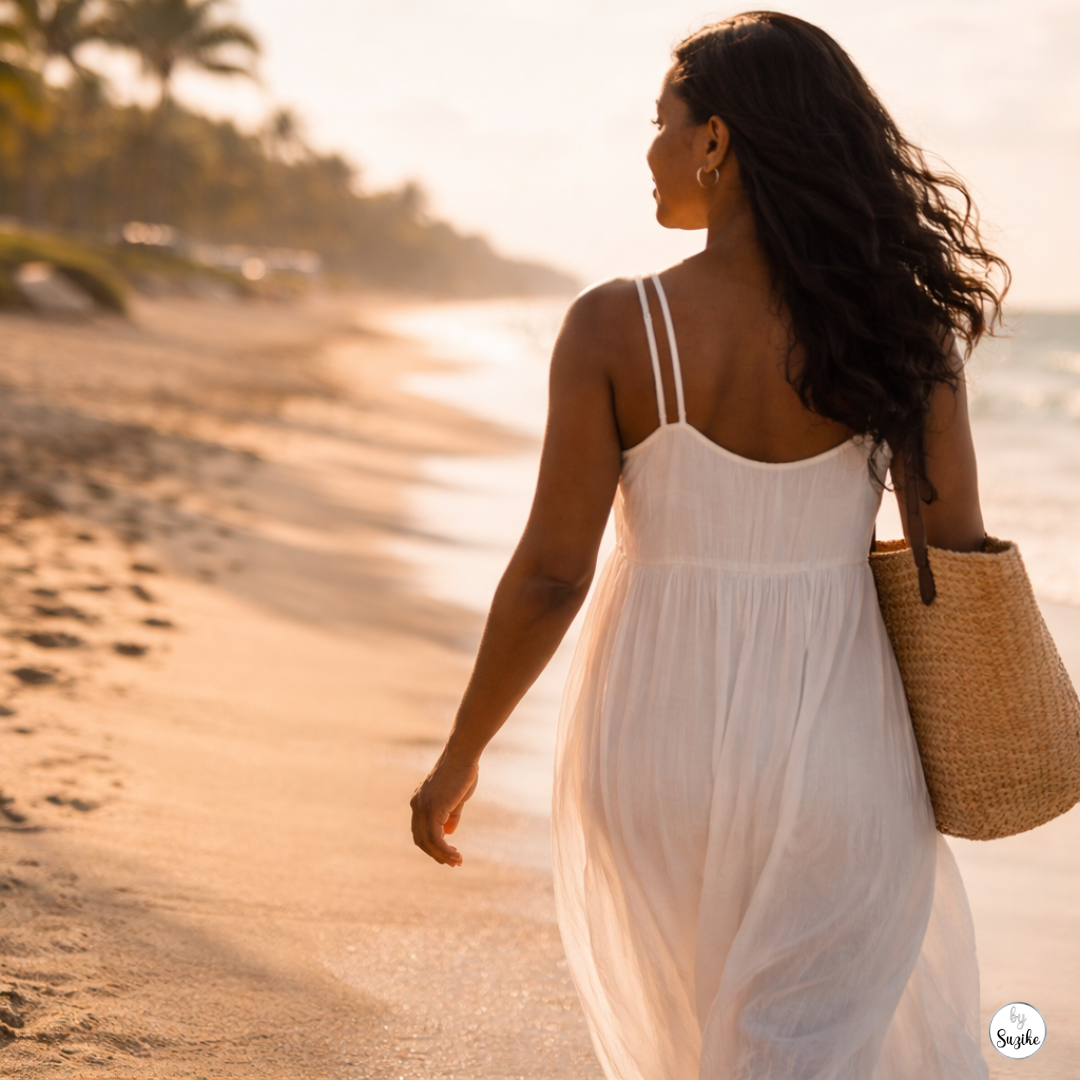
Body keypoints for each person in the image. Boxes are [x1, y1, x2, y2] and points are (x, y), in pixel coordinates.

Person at [411, 11, 1008, 1078]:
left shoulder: (612, 326)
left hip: (651, 744)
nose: (650, 150)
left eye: (661, 123)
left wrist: (463, 752)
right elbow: (953, 566)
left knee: (694, 1050)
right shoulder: (900, 336)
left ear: (717, 142)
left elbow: (552, 577)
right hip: (840, 748)